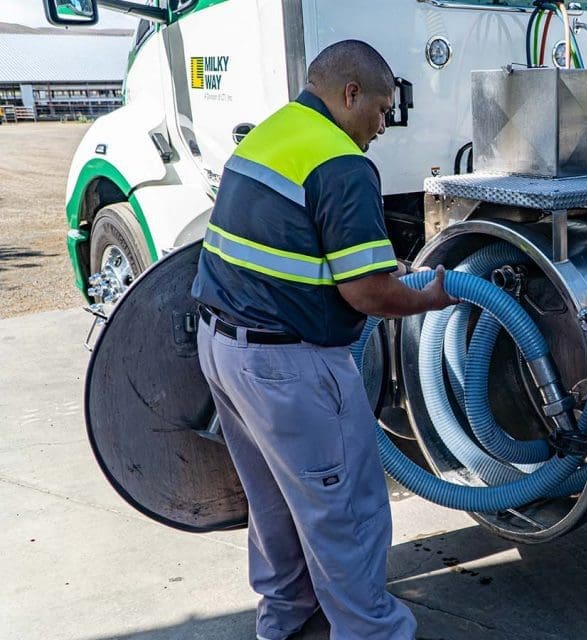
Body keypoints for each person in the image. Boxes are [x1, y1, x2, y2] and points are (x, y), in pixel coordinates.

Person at [191, 40, 458, 640]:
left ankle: (284, 621)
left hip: (223, 350)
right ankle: (371, 632)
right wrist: (429, 297)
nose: (384, 126)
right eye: (383, 110)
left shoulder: (270, 134)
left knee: (278, 507)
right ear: (350, 94)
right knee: (348, 514)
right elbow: (367, 293)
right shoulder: (340, 162)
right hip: (288, 367)